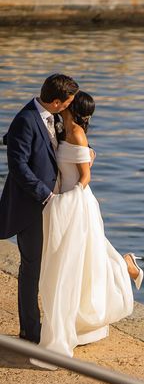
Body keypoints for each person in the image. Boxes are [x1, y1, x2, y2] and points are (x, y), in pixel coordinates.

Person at [34, 90, 144, 363]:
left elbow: (85, 176)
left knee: (81, 262)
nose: (64, 104)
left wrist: (70, 198)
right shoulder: (62, 129)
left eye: (69, 103)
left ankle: (126, 264)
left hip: (78, 204)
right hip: (63, 202)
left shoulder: (77, 134)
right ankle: (123, 266)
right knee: (80, 264)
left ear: (74, 107)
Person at [0, 73, 79, 344]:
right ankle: (29, 330)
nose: (70, 105)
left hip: (56, 205)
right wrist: (45, 195)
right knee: (31, 267)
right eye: (68, 102)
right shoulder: (25, 120)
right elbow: (18, 167)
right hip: (33, 206)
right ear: (56, 102)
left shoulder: (53, 117)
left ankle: (48, 321)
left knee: (52, 264)